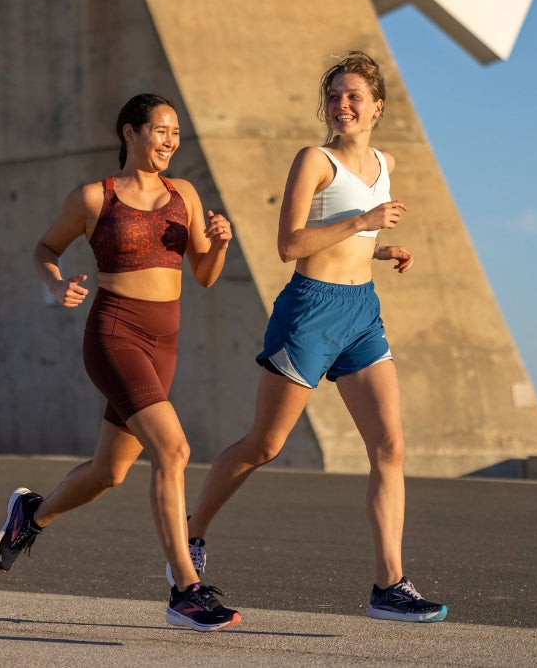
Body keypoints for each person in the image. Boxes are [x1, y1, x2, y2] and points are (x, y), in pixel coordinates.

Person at [171, 52, 447, 623]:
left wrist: (380, 249)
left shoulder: (384, 162)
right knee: (264, 446)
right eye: (334, 96)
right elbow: (290, 244)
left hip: (361, 312)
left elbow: (352, 240)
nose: (342, 106)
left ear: (377, 107)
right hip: (309, 311)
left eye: (354, 97)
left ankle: (389, 584)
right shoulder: (314, 160)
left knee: (390, 446)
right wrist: (363, 223)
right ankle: (190, 535)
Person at [0, 93, 241, 633]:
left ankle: (29, 518)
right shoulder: (93, 198)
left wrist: (219, 244)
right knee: (173, 449)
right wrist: (56, 285)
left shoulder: (186, 195)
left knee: (110, 472)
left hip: (163, 343)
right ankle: (184, 590)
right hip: (115, 333)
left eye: (176, 132)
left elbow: (205, 274)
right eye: (160, 130)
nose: (171, 140)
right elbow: (45, 249)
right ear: (130, 132)